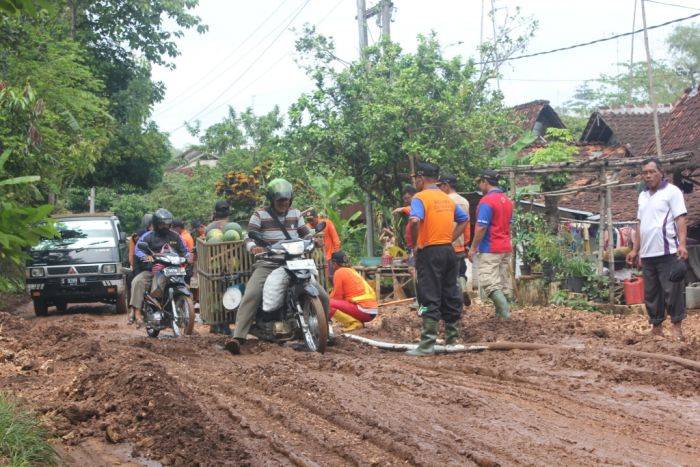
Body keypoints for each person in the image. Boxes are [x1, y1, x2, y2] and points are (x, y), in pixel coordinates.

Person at [231, 178, 331, 349]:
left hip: (295, 261)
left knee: (323, 295)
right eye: (280, 200)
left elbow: (305, 234)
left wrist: (314, 241)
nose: (284, 203)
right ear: (272, 199)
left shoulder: (295, 214)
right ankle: (238, 337)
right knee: (252, 293)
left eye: (286, 199)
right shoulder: (259, 215)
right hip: (269, 262)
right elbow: (249, 236)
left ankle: (325, 331)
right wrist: (254, 248)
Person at [407, 162, 468, 356]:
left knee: (428, 295)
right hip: (448, 251)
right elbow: (464, 219)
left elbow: (415, 220)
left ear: (420, 178)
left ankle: (427, 344)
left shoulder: (420, 198)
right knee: (450, 292)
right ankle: (452, 339)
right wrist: (449, 238)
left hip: (429, 252)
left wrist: (416, 244)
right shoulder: (447, 198)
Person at [626, 158, 688, 340]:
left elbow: (681, 219)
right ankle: (656, 327)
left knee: (672, 290)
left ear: (661, 173)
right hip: (647, 254)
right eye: (644, 172)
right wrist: (635, 250)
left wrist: (682, 245)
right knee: (652, 293)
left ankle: (676, 328)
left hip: (668, 251)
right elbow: (640, 224)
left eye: (651, 171)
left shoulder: (672, 192)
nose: (648, 175)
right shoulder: (642, 196)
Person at [129, 209, 189, 325]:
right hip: (152, 270)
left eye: (167, 224)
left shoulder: (176, 237)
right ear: (156, 224)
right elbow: (138, 250)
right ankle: (137, 313)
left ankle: (182, 309)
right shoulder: (148, 236)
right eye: (162, 224)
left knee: (186, 285)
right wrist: (148, 258)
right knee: (137, 281)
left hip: (173, 269)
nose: (165, 226)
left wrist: (187, 257)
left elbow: (185, 251)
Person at [467, 170, 514, 319]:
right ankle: (500, 318)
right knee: (502, 284)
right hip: (505, 247)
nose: (479, 186)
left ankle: (506, 316)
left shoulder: (486, 201)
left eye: (479, 182)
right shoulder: (507, 201)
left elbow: (481, 227)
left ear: (485, 182)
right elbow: (509, 226)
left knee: (490, 284)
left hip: (490, 248)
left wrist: (473, 248)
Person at [438, 173, 471, 307]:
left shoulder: (444, 201)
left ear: (446, 185)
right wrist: (466, 243)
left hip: (446, 243)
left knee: (449, 276)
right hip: (460, 242)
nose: (439, 188)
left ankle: (455, 301)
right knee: (461, 271)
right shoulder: (465, 201)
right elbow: (467, 224)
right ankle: (463, 289)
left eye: (440, 186)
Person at [328, 251, 378, 332]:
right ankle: (356, 321)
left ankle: (354, 323)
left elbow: (337, 297)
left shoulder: (339, 272)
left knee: (327, 304)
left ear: (334, 263)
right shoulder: (352, 270)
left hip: (364, 310)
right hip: (371, 311)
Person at [127, 214, 152, 324]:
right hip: (141, 264)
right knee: (134, 281)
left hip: (155, 265)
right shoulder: (140, 236)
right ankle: (133, 310)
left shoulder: (162, 235)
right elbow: (133, 254)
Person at [307, 209, 341, 280]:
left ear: (316, 217)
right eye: (308, 220)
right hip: (315, 259)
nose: (310, 222)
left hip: (329, 256)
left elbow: (336, 239)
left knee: (331, 278)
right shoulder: (307, 227)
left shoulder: (327, 223)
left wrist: (335, 255)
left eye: (312, 219)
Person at [173, 220, 195, 284]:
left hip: (185, 266)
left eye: (173, 228)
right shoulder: (186, 234)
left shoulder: (182, 237)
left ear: (178, 228)